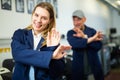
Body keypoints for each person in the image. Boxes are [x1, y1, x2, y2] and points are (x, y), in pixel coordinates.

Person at [11, 2, 71, 80]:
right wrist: (51, 55)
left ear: (50, 20)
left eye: (44, 18)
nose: (38, 20)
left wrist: (51, 48)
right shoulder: (20, 34)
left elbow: (58, 71)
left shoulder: (53, 40)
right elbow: (18, 54)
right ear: (32, 14)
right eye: (36, 15)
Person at [67, 10, 104, 80]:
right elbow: (75, 44)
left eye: (78, 20)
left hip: (93, 69)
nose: (76, 23)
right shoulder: (71, 33)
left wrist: (85, 37)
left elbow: (98, 46)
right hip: (78, 69)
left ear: (84, 19)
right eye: (74, 20)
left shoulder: (92, 31)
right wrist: (92, 39)